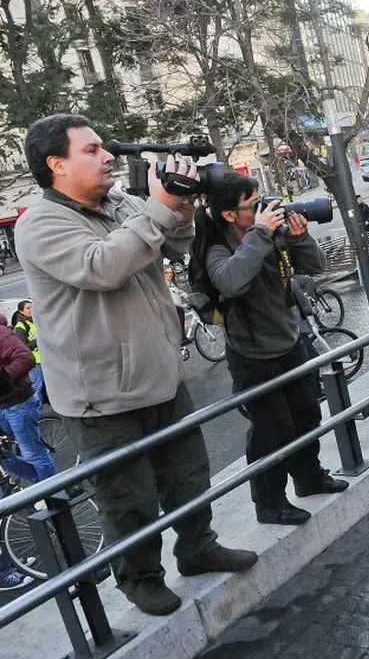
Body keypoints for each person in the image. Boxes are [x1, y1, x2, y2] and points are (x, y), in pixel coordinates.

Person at [14, 114, 257, 616]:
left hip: (161, 375)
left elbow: (175, 244)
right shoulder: (40, 223)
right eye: (92, 150)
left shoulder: (121, 203)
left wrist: (180, 202)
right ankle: (140, 578)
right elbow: (102, 266)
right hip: (100, 395)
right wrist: (159, 207)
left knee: (189, 475)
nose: (108, 157)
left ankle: (198, 547)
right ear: (56, 164)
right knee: (128, 497)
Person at [200, 171, 348, 527]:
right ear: (229, 214)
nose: (264, 209)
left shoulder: (270, 235)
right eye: (253, 205)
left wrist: (299, 238)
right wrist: (260, 232)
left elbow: (314, 267)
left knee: (307, 415)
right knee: (272, 430)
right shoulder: (218, 249)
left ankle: (309, 477)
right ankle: (269, 503)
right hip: (253, 356)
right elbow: (231, 282)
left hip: (289, 342)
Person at [0, 311, 56, 482]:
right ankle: (40, 484)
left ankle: (53, 492)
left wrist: (4, 378)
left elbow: (26, 358)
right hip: (4, 406)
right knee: (4, 456)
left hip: (17, 403)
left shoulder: (2, 334)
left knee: (33, 454)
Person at [11, 300, 43, 404]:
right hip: (35, 362)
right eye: (28, 308)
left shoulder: (38, 321)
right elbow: (23, 347)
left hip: (45, 360)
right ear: (21, 311)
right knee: (37, 387)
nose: (31, 309)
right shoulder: (21, 326)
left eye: (32, 307)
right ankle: (37, 410)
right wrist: (38, 341)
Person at [163, 264, 188, 336]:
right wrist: (183, 304)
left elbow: (178, 292)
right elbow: (174, 294)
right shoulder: (164, 284)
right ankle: (183, 337)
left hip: (176, 307)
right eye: (166, 273)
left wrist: (187, 296)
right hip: (172, 308)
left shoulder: (171, 283)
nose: (169, 275)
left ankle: (182, 337)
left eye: (171, 273)